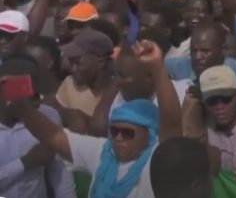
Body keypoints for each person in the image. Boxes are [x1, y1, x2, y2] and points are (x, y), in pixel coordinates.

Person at [14, 40, 181, 198]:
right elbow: (53, 136)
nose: (119, 138)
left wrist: (157, 67)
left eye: (128, 133)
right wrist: (19, 105)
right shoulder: (104, 151)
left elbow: (172, 123)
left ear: (149, 134)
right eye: (114, 131)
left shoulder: (157, 160)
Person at [0, 55, 76, 198]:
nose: (38, 103)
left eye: (38, 95)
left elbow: (59, 169)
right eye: (30, 96)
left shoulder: (48, 115)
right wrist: (24, 163)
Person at [164, 20, 236, 110]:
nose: (198, 56)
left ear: (221, 49)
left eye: (205, 51)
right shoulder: (173, 67)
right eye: (194, 50)